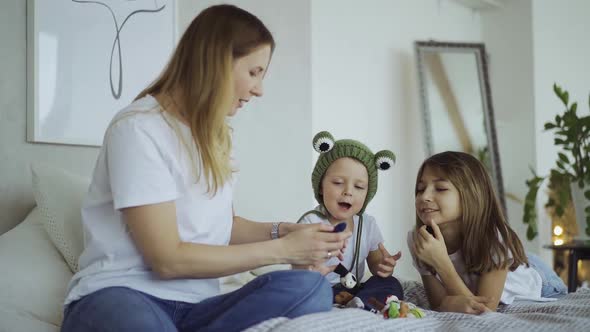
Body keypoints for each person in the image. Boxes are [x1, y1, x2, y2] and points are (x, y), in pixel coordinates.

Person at [60, 5, 351, 332]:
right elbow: (166, 259)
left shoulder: (217, 136)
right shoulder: (139, 128)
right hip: (122, 294)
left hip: (197, 307)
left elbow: (221, 227)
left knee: (308, 289)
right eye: (254, 72)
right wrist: (280, 250)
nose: (259, 90)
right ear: (218, 62)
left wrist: (285, 231)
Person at [408, 151, 567, 315]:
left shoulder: (493, 236)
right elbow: (440, 304)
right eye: (420, 189)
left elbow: (483, 311)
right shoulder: (419, 240)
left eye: (440, 188)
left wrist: (441, 263)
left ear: (470, 195)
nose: (424, 196)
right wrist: (448, 302)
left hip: (539, 279)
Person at [294, 131, 403, 307]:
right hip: (321, 286)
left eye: (359, 186)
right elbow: (298, 268)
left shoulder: (367, 224)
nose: (348, 191)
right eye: (338, 183)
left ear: (367, 194)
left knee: (391, 283)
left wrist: (383, 266)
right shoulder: (311, 222)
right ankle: (351, 301)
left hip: (356, 288)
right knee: (304, 291)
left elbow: (375, 263)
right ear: (321, 187)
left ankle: (360, 301)